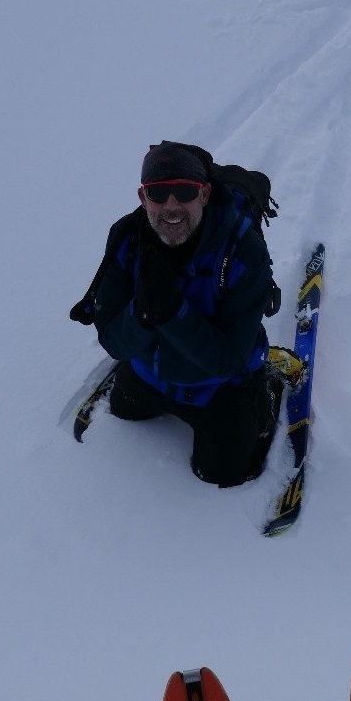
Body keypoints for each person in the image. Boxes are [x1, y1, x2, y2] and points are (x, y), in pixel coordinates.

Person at [82, 141, 278, 487]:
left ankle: (266, 392)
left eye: (184, 191)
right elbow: (113, 340)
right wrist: (142, 315)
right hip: (149, 373)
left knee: (224, 474)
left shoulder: (244, 251)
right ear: (143, 198)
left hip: (220, 384)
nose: (171, 206)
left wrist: (174, 313)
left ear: (203, 194)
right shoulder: (127, 240)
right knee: (124, 412)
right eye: (158, 193)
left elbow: (229, 359)